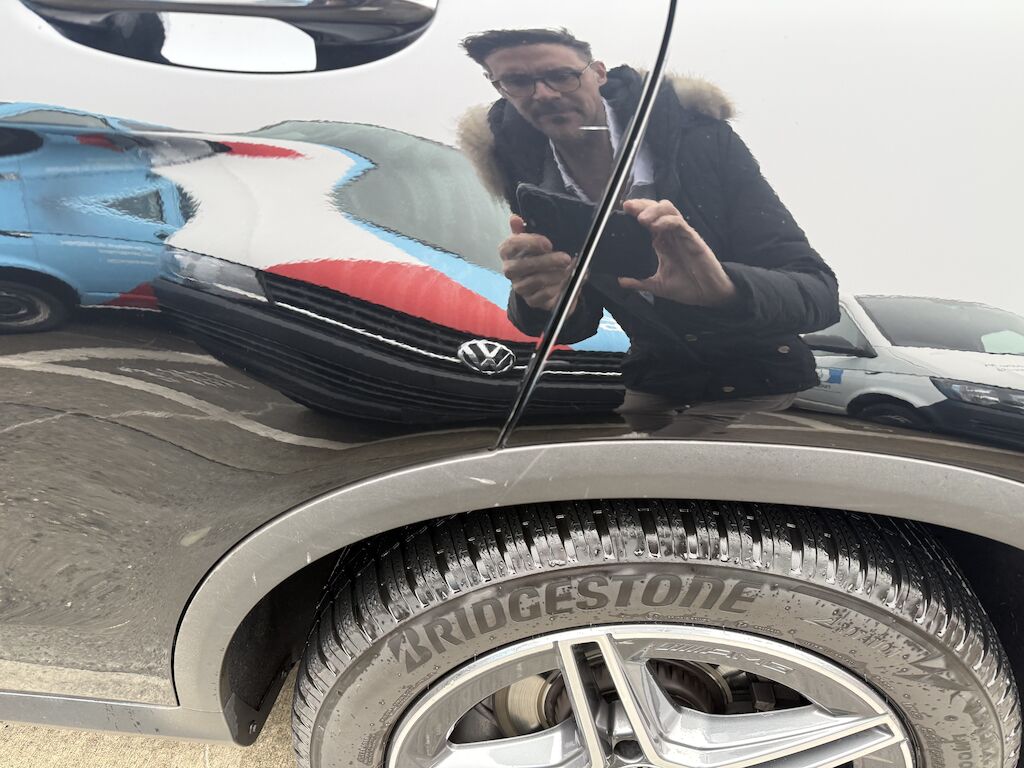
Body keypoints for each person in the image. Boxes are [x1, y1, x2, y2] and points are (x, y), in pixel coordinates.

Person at [458, 28, 840, 436]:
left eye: (561, 75)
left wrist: (724, 288)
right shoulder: (520, 165)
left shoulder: (703, 142)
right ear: (498, 87)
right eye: (518, 81)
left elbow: (820, 293)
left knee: (638, 467)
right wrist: (545, 302)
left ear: (599, 73)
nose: (544, 94)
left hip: (761, 381)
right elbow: (575, 325)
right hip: (656, 381)